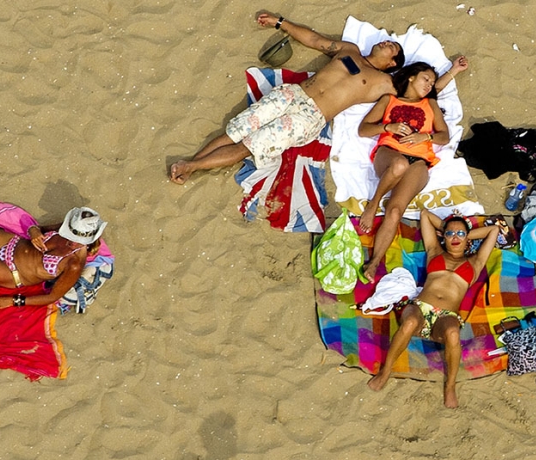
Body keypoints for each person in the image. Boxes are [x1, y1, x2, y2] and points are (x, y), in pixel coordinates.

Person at [169, 11, 405, 184]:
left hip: (310, 117)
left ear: (393, 64)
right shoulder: (350, 50)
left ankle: (191, 165)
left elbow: (418, 90)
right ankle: (190, 166)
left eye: (392, 47)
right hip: (293, 93)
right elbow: (314, 40)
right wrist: (280, 22)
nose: (386, 42)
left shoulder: (383, 82)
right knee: (235, 131)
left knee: (248, 146)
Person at [367, 210, 499, 408]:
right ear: (443, 236)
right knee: (410, 322)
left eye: (460, 234)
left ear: (468, 239)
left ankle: (450, 386)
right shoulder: (435, 252)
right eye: (450, 234)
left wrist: (463, 232)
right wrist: (451, 230)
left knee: (453, 333)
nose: (455, 238)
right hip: (420, 308)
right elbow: (425, 215)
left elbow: (494, 230)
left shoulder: (475, 262)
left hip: (445, 317)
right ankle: (385, 372)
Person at [357, 58, 469, 282]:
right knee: (399, 164)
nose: (429, 85)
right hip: (389, 153)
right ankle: (373, 203)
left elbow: (443, 136)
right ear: (410, 77)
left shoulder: (430, 104)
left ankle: (375, 262)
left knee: (395, 212)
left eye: (432, 83)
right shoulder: (389, 100)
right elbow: (364, 129)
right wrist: (387, 126)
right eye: (425, 79)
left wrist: (424, 136)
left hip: (419, 160)